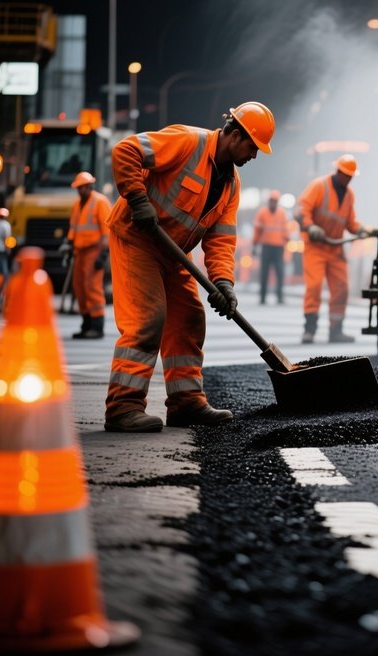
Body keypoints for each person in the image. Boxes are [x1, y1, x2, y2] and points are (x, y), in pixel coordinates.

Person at [103, 101, 276, 433]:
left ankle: (185, 403)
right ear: (235, 134)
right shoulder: (188, 142)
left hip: (173, 252)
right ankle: (123, 406)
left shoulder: (230, 184)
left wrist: (223, 283)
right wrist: (137, 199)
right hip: (137, 239)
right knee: (148, 319)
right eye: (253, 147)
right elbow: (125, 150)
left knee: (190, 318)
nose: (253, 156)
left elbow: (221, 239)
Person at [298, 154, 376, 344]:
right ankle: (310, 329)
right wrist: (310, 227)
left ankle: (336, 330)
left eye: (350, 176)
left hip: (335, 248)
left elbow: (349, 223)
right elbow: (301, 211)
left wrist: (362, 230)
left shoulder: (349, 195)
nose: (348, 178)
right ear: (338, 171)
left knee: (341, 288)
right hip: (316, 246)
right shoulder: (319, 186)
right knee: (314, 286)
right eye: (346, 174)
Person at [62, 171, 112, 339]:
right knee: (80, 288)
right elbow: (73, 229)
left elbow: (107, 231)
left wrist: (103, 254)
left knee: (92, 288)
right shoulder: (77, 205)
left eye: (84, 187)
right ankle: (86, 325)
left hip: (94, 251)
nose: (81, 190)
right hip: (79, 252)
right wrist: (68, 245)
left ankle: (97, 326)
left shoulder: (100, 202)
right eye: (79, 188)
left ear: (90, 186)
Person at [253, 189, 289, 305]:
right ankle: (262, 297)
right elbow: (257, 231)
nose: (273, 203)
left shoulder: (282, 213)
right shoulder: (262, 213)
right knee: (264, 273)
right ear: (269, 202)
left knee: (280, 273)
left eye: (275, 201)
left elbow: (285, 228)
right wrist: (255, 244)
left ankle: (280, 297)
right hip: (266, 247)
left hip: (278, 247)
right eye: (271, 201)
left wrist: (287, 238)